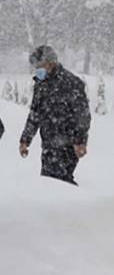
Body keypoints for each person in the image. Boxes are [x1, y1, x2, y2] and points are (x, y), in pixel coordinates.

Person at [20, 45, 91, 185]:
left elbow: (83, 116)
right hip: (48, 145)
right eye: (36, 66)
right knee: (49, 183)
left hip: (67, 144)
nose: (37, 69)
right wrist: (25, 140)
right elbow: (35, 113)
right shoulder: (41, 84)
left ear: (50, 63)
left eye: (40, 65)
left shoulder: (71, 83)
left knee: (61, 182)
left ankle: (79, 205)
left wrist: (80, 141)